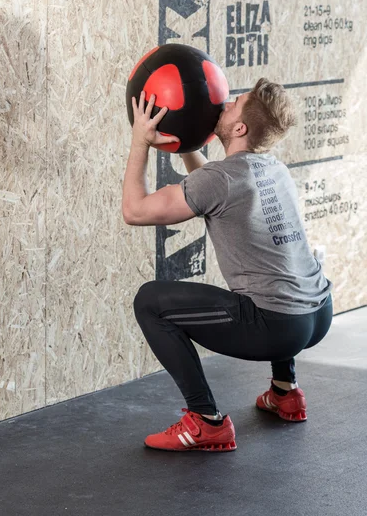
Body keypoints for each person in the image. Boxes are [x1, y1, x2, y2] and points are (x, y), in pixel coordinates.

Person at [122, 78, 333, 453]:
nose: (228, 101)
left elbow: (135, 211)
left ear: (239, 128)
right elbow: (210, 185)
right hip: (317, 316)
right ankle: (286, 392)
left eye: (236, 103)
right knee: (273, 281)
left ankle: (205, 421)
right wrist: (187, 146)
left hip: (277, 327)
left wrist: (140, 139)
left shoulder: (220, 179)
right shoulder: (273, 169)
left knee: (149, 301)